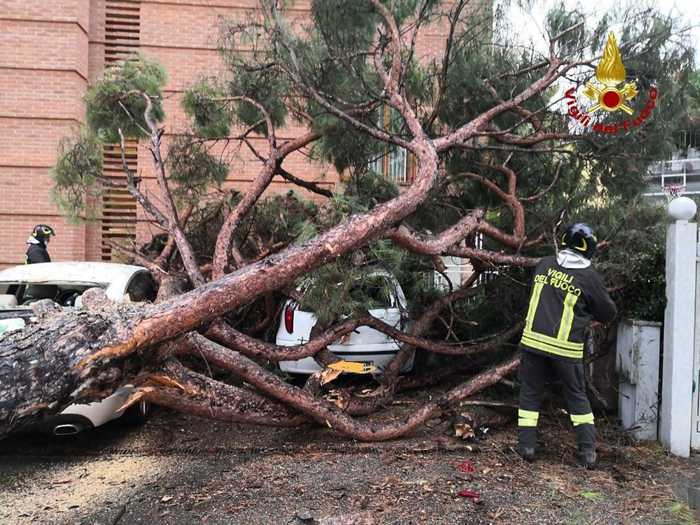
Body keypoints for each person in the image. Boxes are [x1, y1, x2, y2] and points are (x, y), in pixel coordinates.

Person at [517, 223, 617, 468]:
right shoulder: (589, 277)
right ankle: (587, 452)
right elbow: (607, 312)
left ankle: (527, 447)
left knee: (530, 394)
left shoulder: (544, 264)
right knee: (576, 397)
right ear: (589, 248)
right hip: (566, 350)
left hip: (532, 344)